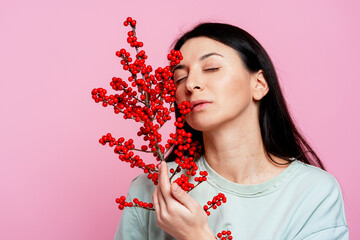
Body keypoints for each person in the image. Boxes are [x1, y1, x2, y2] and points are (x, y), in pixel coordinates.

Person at [114, 22, 348, 240]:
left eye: (212, 68)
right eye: (179, 77)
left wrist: (197, 236)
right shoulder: (152, 188)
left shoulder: (313, 192)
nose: (191, 84)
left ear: (259, 84)